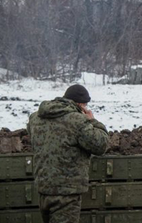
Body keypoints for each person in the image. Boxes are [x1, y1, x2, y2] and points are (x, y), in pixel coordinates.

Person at [27, 84, 109, 223]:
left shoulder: (35, 118)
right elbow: (100, 145)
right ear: (81, 104)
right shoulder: (77, 121)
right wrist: (92, 120)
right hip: (66, 193)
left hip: (43, 189)